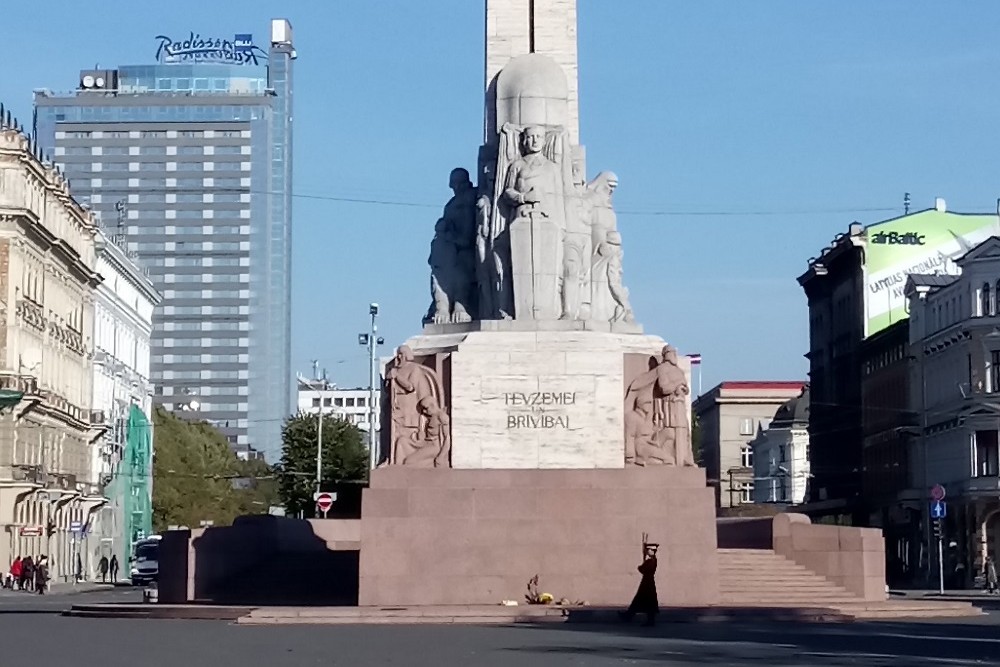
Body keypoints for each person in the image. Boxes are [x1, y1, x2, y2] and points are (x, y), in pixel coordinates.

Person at [620, 533, 659, 627]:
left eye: (648, 550)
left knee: (646, 602)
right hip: (647, 583)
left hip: (647, 583)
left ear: (652, 551)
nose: (647, 551)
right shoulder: (651, 560)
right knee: (640, 601)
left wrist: (641, 565)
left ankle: (630, 616)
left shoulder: (651, 561)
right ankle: (629, 615)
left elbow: (642, 569)